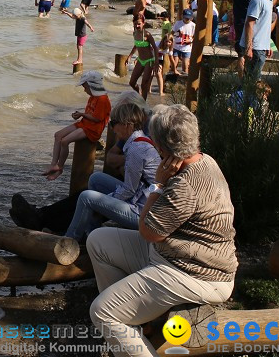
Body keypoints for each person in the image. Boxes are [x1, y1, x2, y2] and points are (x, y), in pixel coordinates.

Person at [88, 104, 237, 356]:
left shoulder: (184, 185)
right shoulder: (205, 160)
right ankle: (132, 326)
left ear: (162, 148)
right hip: (178, 256)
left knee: (102, 311)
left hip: (197, 273)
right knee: (98, 240)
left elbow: (147, 231)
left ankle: (123, 328)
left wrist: (158, 185)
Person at [12, 93, 150, 231]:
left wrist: (126, 163)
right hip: (130, 181)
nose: (115, 125)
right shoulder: (130, 128)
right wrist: (127, 162)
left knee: (92, 198)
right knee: (88, 190)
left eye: (119, 120)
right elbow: (111, 157)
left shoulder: (148, 129)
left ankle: (49, 224)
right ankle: (41, 216)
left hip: (142, 196)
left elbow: (143, 170)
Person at [64, 101, 160, 242]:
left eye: (114, 123)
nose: (112, 128)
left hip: (143, 214)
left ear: (128, 125)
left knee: (87, 197)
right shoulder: (141, 141)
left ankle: (69, 241)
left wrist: (105, 200)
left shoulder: (136, 150)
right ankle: (91, 234)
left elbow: (129, 190)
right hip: (142, 200)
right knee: (96, 179)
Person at [43, 71, 111, 181]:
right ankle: (53, 164)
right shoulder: (93, 96)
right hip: (85, 124)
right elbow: (90, 114)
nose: (84, 90)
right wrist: (78, 115)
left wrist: (82, 114)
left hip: (93, 129)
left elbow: (97, 118)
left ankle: (60, 167)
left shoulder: (102, 99)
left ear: (92, 85)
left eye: (85, 87)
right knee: (58, 135)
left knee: (65, 141)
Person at [239, 0, 279, 79]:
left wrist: (267, 44)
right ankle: (246, 95)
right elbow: (249, 23)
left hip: (260, 46)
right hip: (255, 48)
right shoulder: (259, 0)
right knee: (252, 80)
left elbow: (263, 26)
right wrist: (249, 48)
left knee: (253, 78)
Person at [228, 0, 266, 72]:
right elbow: (265, 3)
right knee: (253, 53)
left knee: (241, 54)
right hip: (254, 22)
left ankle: (241, 84)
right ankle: (250, 81)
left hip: (238, 18)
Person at [128, 14, 160, 99]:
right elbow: (136, 46)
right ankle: (139, 95)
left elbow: (155, 48)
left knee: (144, 84)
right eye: (135, 24)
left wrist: (156, 62)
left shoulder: (147, 35)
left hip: (149, 61)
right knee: (132, 82)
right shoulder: (134, 33)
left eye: (139, 24)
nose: (137, 26)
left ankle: (143, 103)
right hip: (140, 60)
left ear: (143, 23)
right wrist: (130, 56)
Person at [168, 9, 196, 80]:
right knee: (174, 63)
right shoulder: (178, 23)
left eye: (188, 18)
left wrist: (190, 40)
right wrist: (169, 41)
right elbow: (172, 32)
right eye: (185, 17)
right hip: (177, 46)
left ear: (191, 18)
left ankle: (185, 80)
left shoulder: (193, 25)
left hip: (187, 48)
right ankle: (172, 78)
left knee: (185, 65)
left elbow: (195, 37)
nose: (187, 19)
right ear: (182, 16)